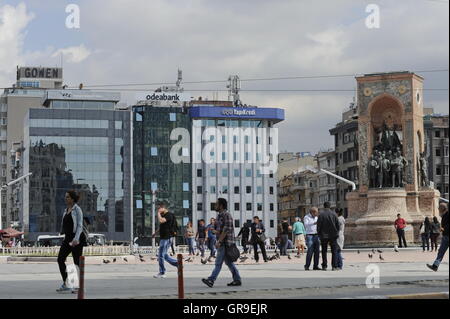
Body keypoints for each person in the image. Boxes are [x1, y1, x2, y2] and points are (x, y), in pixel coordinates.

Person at [202, 198, 241, 288]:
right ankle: (237, 279)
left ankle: (211, 280)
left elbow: (226, 230)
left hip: (225, 242)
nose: (214, 206)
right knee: (229, 263)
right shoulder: (219, 216)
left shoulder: (226, 215)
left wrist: (219, 241)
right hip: (222, 241)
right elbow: (220, 230)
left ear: (221, 205)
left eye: (216, 204)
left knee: (218, 263)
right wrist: (214, 231)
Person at [56, 191, 87, 293]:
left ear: (72, 199)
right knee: (60, 259)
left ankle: (78, 287)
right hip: (67, 238)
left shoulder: (77, 210)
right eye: (65, 197)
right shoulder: (66, 210)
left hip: (77, 238)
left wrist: (76, 239)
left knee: (76, 262)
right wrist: (62, 231)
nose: (66, 199)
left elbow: (79, 226)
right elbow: (65, 223)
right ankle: (67, 283)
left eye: (68, 197)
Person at [153, 203, 178, 278]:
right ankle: (177, 264)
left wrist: (158, 213)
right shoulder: (164, 215)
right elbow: (162, 226)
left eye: (159, 208)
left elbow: (161, 221)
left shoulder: (169, 215)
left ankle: (162, 272)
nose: (159, 210)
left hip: (167, 237)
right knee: (164, 254)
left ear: (163, 208)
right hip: (164, 237)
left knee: (161, 255)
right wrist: (155, 233)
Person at [317, 202, 340, 271]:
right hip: (333, 235)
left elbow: (318, 226)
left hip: (323, 235)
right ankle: (334, 266)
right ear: (330, 206)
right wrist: (336, 232)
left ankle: (324, 266)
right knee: (334, 251)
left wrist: (319, 233)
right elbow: (338, 225)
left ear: (324, 206)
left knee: (324, 251)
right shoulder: (334, 214)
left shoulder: (321, 215)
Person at [427, 203, 449, 272]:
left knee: (441, 251)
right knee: (441, 252)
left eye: (439, 208)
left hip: (447, 235)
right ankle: (435, 266)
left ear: (443, 208)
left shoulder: (448, 214)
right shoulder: (444, 215)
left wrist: (444, 228)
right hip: (445, 236)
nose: (438, 209)